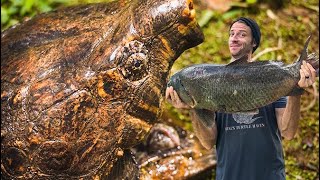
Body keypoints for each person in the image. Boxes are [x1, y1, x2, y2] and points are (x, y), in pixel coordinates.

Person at [165, 17, 317, 180]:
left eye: (242, 34)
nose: (234, 38)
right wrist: (192, 106)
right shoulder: (211, 81)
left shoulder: (268, 76)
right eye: (232, 34)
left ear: (254, 42)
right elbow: (208, 143)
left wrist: (296, 90)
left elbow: (288, 132)